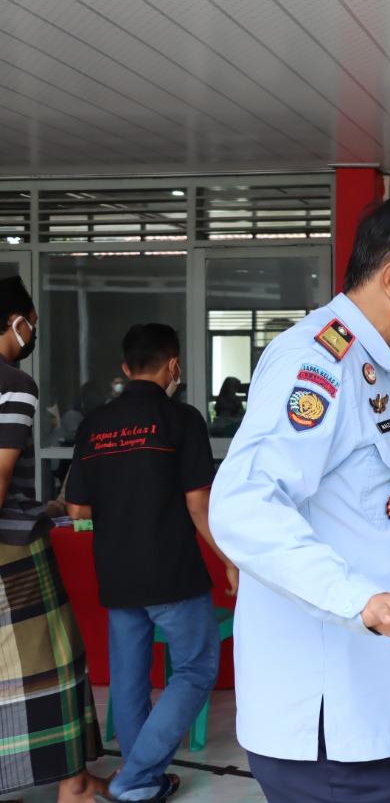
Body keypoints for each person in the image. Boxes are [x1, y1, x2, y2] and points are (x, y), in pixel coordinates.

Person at [209, 195, 390, 802]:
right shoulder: (318, 361)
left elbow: (351, 484)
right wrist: (362, 600)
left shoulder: (370, 363)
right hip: (327, 719)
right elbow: (246, 505)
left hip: (364, 707)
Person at [64, 323, 237, 802]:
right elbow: (198, 505)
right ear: (173, 365)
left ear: (126, 367)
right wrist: (229, 560)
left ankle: (141, 785)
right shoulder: (181, 418)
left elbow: (77, 508)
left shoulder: (95, 423)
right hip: (170, 570)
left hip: (116, 571)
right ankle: (134, 779)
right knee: (196, 668)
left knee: (129, 680)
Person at [0, 277, 108, 802]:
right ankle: (75, 783)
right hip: (13, 552)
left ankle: (74, 779)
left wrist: (45, 507)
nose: (33, 334)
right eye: (32, 324)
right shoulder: (14, 384)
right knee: (57, 661)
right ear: (16, 322)